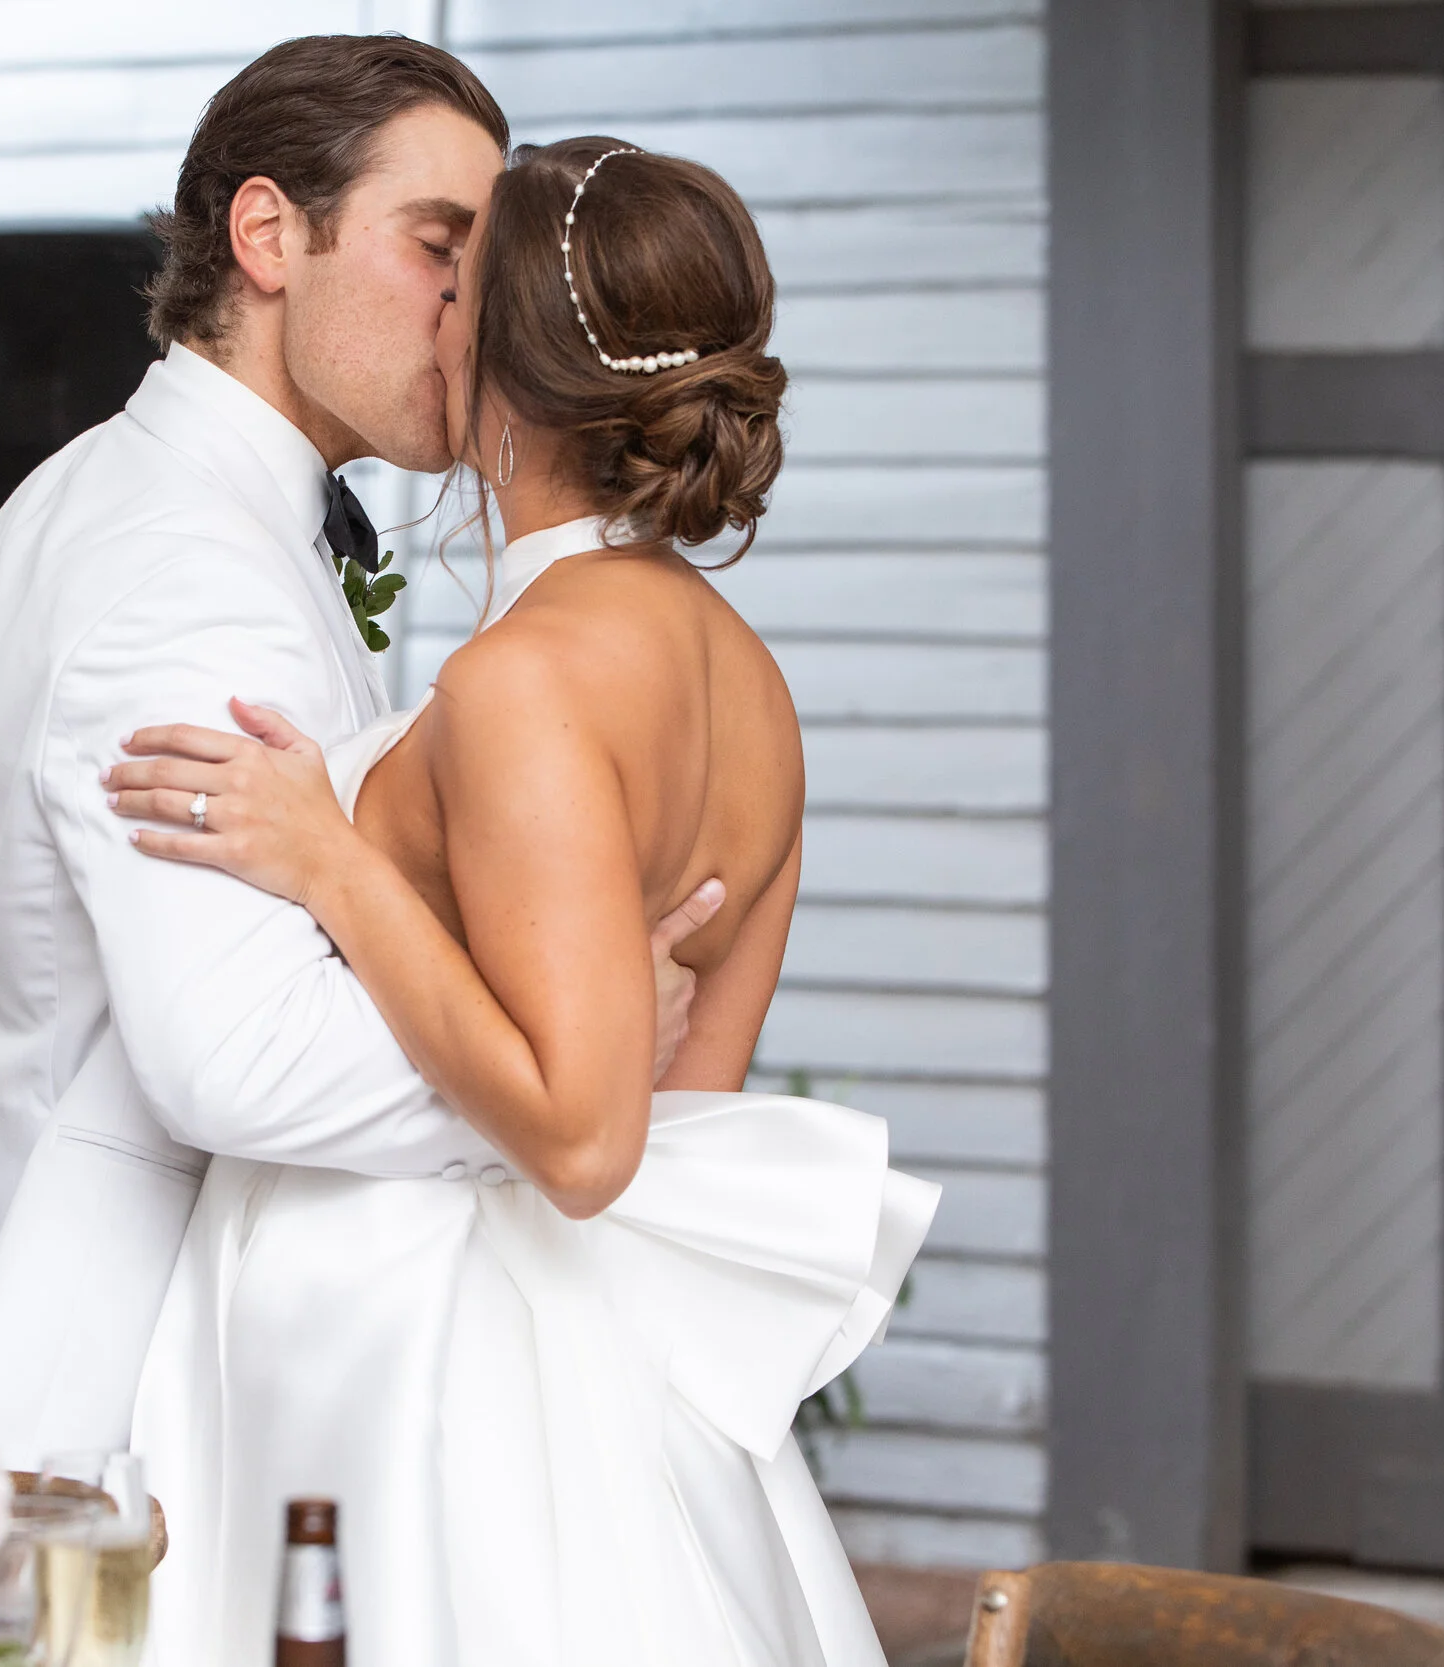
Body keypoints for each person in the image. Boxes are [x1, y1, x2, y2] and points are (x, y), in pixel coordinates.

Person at [108, 140, 938, 1665]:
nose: (429, 312)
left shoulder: (524, 681)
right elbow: (695, 1104)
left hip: (415, 1361)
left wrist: (332, 863)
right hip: (608, 1381)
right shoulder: (751, 687)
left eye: (454, 283)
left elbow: (589, 1133)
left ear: (494, 358)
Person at [0, 38, 710, 1462]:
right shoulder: (187, 569)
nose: (474, 305)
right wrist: (566, 1061)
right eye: (438, 245)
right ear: (269, 235)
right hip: (106, 1382)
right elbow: (240, 1064)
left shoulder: (69, 489)